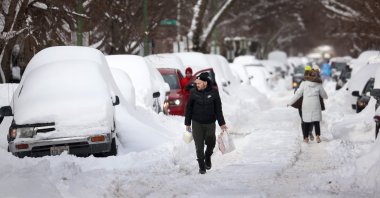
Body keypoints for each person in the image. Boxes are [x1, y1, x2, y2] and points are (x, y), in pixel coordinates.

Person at [185, 72, 227, 174]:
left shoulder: (214, 93)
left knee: (211, 143)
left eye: (199, 83)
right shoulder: (193, 93)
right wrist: (187, 123)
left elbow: (218, 110)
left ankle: (208, 156)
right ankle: (202, 167)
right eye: (196, 83)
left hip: (210, 123)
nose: (197, 85)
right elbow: (188, 108)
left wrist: (222, 123)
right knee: (199, 146)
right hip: (197, 123)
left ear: (205, 83)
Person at [288, 69, 328, 143]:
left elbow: (297, 94)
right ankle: (318, 137)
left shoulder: (303, 84)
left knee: (306, 121)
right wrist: (326, 97)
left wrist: (290, 102)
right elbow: (324, 95)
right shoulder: (318, 84)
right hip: (316, 104)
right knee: (316, 122)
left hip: (306, 105)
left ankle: (306, 138)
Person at [293, 65, 314, 141]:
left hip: (302, 104)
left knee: (303, 119)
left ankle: (305, 136)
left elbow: (296, 92)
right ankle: (309, 132)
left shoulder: (301, 82)